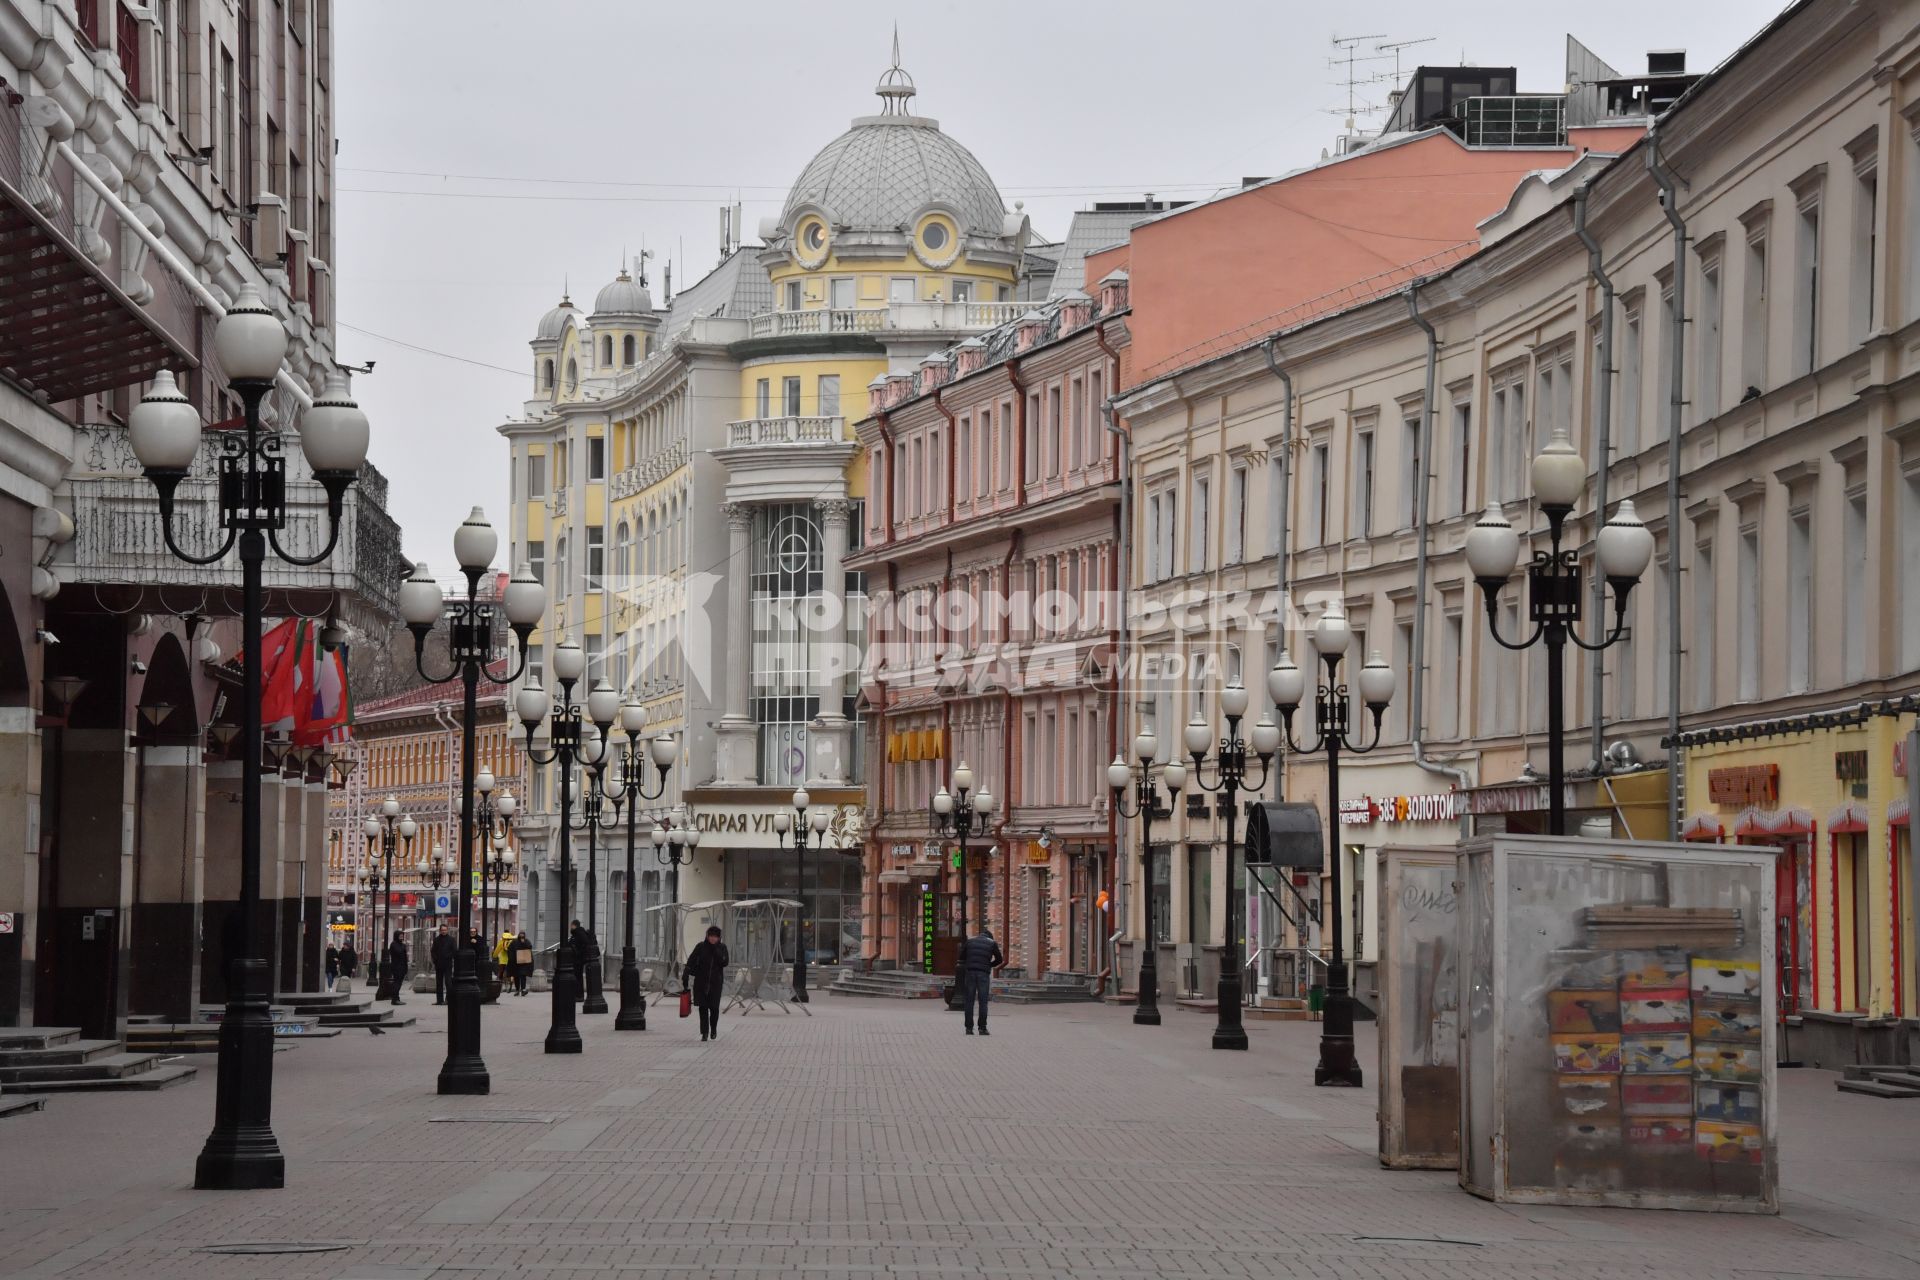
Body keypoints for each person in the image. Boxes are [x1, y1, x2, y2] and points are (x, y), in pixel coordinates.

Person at [683, 925, 729, 1042]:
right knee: (703, 1008)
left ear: (719, 938)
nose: (713, 939)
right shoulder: (701, 946)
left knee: (714, 1008)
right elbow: (691, 959)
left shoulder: (722, 947)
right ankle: (704, 1032)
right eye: (711, 936)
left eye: (715, 937)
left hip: (715, 983)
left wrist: (715, 950)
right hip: (701, 982)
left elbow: (724, 962)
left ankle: (713, 1029)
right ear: (707, 936)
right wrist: (686, 973)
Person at [957, 925, 1005, 1036]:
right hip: (983, 974)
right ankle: (982, 1028)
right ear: (990, 937)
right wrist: (989, 965)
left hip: (970, 973)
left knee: (969, 1001)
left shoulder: (970, 942)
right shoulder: (992, 943)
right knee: (983, 1002)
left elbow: (961, 957)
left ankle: (969, 1028)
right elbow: (1000, 959)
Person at [430, 926, 456, 1004]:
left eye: (445, 930)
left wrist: (449, 956)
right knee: (439, 983)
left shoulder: (451, 940)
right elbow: (433, 951)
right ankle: (439, 1000)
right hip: (438, 964)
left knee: (448, 982)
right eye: (442, 930)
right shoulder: (436, 939)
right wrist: (435, 960)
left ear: (447, 930)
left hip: (447, 964)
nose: (444, 931)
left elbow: (454, 950)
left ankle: (448, 999)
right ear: (440, 931)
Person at [568, 918, 592, 998]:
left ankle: (579, 995)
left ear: (574, 925)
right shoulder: (576, 934)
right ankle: (577, 994)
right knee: (577, 977)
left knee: (577, 977)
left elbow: (585, 945)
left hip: (578, 960)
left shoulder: (579, 933)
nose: (570, 927)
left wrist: (578, 953)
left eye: (571, 926)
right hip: (576, 960)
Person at [386, 930, 408, 1005]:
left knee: (399, 983)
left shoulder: (402, 945)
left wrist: (406, 968)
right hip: (396, 967)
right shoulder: (393, 944)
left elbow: (405, 958)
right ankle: (394, 999)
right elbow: (398, 952)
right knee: (397, 983)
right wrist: (404, 947)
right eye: (400, 936)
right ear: (396, 936)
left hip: (402, 967)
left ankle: (397, 998)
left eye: (402, 936)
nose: (402, 937)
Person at [512, 930, 533, 995]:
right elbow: (511, 949)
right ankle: (517, 989)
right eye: (520, 934)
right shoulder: (515, 942)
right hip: (516, 962)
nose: (521, 936)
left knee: (523, 975)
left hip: (524, 962)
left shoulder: (527, 941)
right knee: (516, 976)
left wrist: (524, 943)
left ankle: (523, 989)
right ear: (518, 935)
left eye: (522, 934)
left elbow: (530, 947)